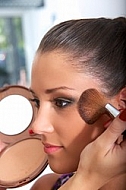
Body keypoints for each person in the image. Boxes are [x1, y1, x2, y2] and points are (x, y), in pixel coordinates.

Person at [0, 17, 126, 190]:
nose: (37, 126)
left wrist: (87, 180)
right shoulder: (46, 186)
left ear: (123, 104)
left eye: (61, 102)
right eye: (36, 101)